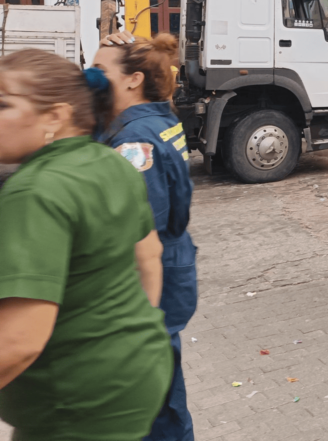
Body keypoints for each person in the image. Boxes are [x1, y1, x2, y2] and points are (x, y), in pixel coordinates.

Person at [0, 49, 172, 440]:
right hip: (137, 369)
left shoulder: (35, 190)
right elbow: (149, 255)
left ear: (55, 116)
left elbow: (19, 339)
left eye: (3, 103)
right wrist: (130, 335)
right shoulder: (109, 160)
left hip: (76, 401)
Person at [93, 33, 198, 441]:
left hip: (155, 275)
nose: (91, 77)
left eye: (99, 71)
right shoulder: (157, 115)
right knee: (163, 386)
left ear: (134, 80)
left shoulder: (134, 143)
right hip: (174, 263)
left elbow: (142, 238)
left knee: (157, 402)